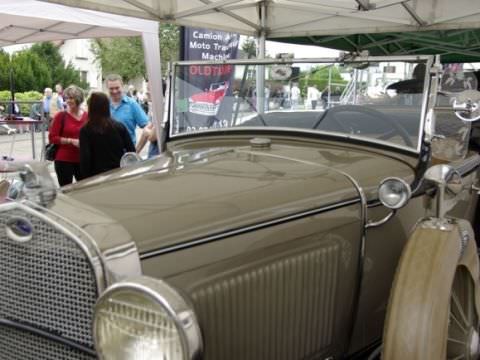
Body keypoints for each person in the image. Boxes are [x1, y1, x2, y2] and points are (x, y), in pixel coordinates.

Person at [80, 92, 135, 179]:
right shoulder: (119, 127)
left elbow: (85, 158)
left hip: (96, 176)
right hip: (118, 173)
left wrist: (85, 177)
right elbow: (131, 151)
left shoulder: (86, 130)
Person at [48, 85, 87, 186]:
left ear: (79, 99)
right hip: (64, 160)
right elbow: (52, 138)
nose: (68, 101)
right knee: (66, 192)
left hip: (83, 160)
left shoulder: (87, 116)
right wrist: (71, 141)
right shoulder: (61, 116)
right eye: (67, 98)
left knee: (85, 190)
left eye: (71, 98)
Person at [106, 74, 148, 145]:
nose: (114, 91)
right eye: (111, 88)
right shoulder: (103, 105)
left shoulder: (132, 104)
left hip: (126, 152)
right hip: (107, 153)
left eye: (117, 88)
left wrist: (136, 151)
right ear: (107, 88)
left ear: (122, 86)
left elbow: (147, 126)